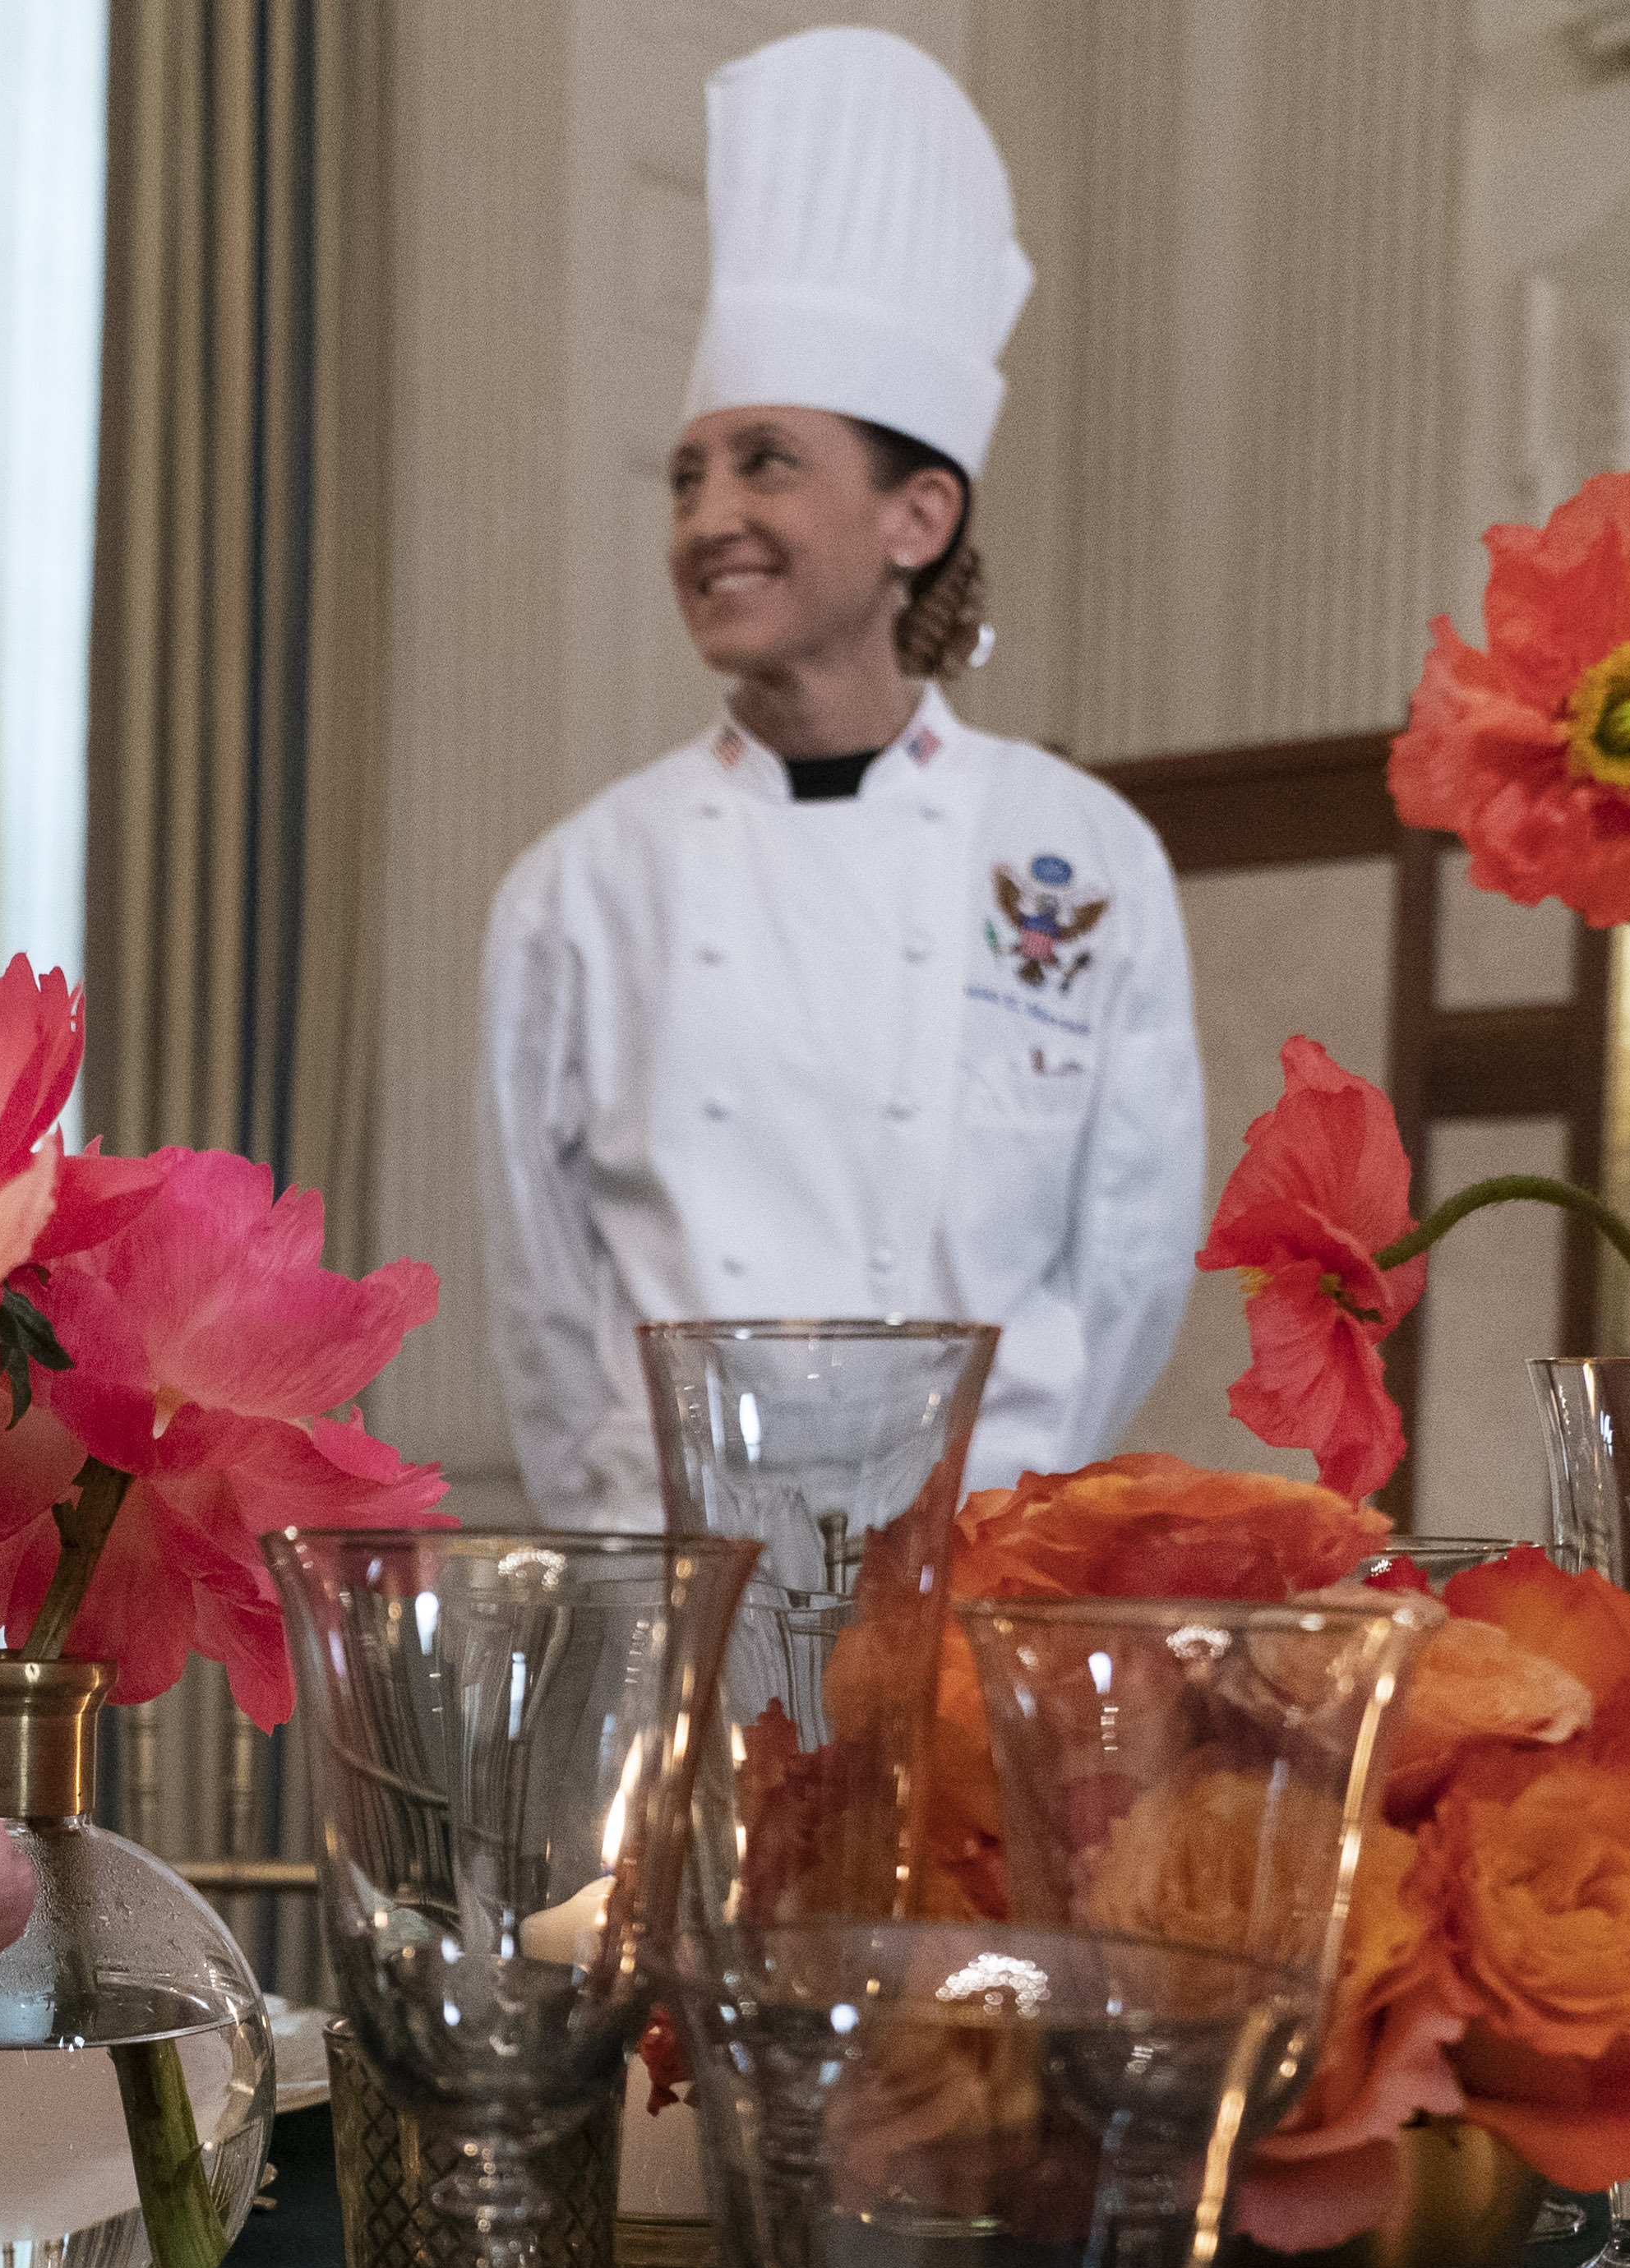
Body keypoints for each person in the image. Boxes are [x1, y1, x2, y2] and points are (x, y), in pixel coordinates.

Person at [481, 25, 1201, 1527]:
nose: (706, 517)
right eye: (687, 476)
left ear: (915, 515)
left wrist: (999, 1507)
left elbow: (1127, 1271)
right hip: (670, 1587)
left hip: (971, 1577)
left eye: (765, 463)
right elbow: (543, 1312)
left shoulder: (1078, 854)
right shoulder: (575, 888)